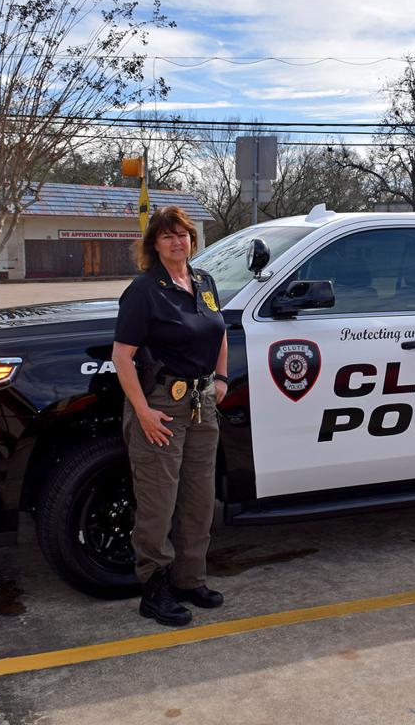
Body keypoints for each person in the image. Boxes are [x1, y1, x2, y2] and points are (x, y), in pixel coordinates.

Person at [111, 206, 229, 627]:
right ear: (154, 245)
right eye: (167, 236)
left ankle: (188, 580)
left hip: (202, 404)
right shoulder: (145, 291)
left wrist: (222, 379)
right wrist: (142, 411)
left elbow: (219, 331)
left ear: (192, 240)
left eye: (183, 234)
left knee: (199, 499)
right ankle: (154, 590)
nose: (177, 242)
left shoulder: (204, 282)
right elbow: (121, 356)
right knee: (158, 503)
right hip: (161, 406)